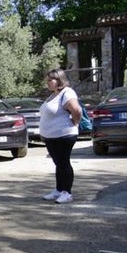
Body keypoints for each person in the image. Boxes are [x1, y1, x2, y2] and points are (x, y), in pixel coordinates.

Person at [39, 68, 82, 204]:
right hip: (51, 137)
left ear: (59, 80)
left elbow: (76, 110)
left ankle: (67, 193)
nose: (48, 83)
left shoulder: (67, 93)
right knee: (58, 163)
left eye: (51, 80)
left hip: (64, 135)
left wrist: (75, 122)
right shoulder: (53, 95)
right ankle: (58, 190)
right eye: (47, 80)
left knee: (64, 163)